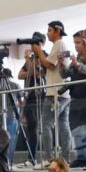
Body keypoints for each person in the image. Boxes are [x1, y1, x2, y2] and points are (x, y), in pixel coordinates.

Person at [31, 20, 73, 162]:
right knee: (63, 125)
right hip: (63, 93)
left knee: (45, 125)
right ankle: (65, 158)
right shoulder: (61, 45)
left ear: (57, 31)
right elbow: (49, 68)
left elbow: (49, 64)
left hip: (55, 93)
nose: (47, 33)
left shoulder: (59, 43)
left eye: (49, 30)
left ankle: (49, 159)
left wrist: (39, 51)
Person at [65, 31, 86, 132]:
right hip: (75, 100)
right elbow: (64, 74)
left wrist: (78, 65)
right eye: (74, 43)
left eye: (78, 42)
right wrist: (61, 65)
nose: (76, 45)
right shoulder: (77, 58)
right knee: (74, 131)